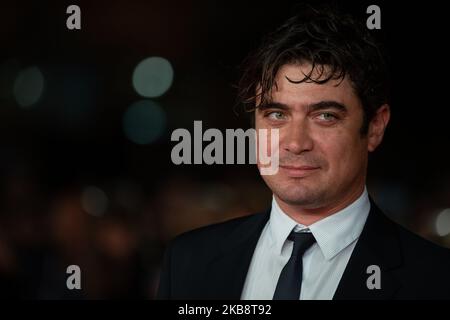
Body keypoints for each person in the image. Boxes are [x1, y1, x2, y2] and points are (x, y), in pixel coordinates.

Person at [156, 4, 450, 300]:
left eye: (325, 116)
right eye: (276, 115)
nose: (295, 143)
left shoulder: (435, 280)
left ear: (375, 127)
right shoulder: (188, 261)